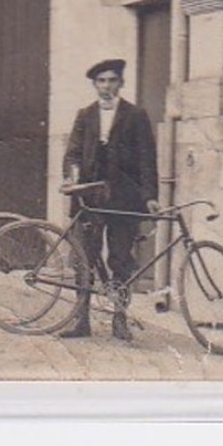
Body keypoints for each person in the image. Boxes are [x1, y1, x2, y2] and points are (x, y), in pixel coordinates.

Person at [59, 58, 159, 341]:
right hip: (89, 199)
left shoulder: (136, 115)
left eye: (112, 80)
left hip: (123, 200)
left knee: (121, 259)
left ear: (121, 83)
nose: (106, 86)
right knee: (83, 258)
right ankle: (81, 321)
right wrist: (71, 177)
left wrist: (150, 196)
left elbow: (147, 160)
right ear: (94, 85)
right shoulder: (85, 115)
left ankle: (120, 318)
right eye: (101, 81)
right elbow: (73, 153)